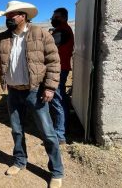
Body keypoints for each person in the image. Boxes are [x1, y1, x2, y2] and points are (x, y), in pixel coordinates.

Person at [0, 1, 64, 188]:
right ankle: (20, 161)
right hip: (13, 92)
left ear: (24, 16)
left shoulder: (41, 34)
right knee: (17, 130)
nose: (8, 19)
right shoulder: (1, 37)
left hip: (35, 92)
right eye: (7, 16)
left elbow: (54, 62)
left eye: (12, 15)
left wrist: (50, 88)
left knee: (48, 133)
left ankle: (57, 171)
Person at [49, 8, 74, 144]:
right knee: (61, 98)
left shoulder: (62, 30)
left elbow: (50, 46)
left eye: (56, 17)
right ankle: (63, 128)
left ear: (64, 17)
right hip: (61, 68)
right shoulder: (63, 30)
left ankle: (59, 134)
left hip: (58, 69)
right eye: (53, 17)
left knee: (57, 100)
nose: (53, 19)